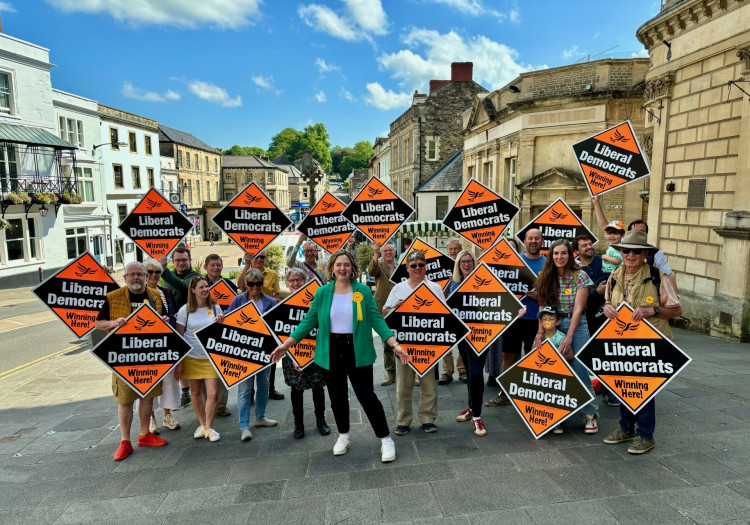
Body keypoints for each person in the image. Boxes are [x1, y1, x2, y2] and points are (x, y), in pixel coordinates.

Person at [270, 249, 405, 462]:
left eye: (347, 265)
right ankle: (343, 435)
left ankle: (386, 439)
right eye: (338, 264)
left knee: (367, 397)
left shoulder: (362, 291)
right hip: (331, 350)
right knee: (337, 397)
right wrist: (286, 345)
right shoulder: (323, 293)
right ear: (332, 268)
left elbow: (377, 319)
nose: (342, 268)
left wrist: (394, 343)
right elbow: (308, 322)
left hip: (356, 350)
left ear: (352, 268)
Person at [602, 231, 682, 454]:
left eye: (636, 251)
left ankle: (645, 435)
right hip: (622, 340)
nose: (630, 254)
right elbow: (608, 302)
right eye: (626, 250)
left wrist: (653, 310)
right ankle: (626, 429)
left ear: (645, 253)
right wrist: (606, 307)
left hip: (650, 342)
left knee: (644, 387)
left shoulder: (658, 277)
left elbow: (677, 309)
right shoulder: (614, 276)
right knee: (623, 385)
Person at [95, 261, 168, 461]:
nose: (136, 277)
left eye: (140, 274)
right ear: (125, 277)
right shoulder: (113, 297)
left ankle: (144, 435)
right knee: (125, 399)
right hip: (124, 358)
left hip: (149, 356)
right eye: (132, 274)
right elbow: (98, 323)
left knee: (147, 396)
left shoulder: (155, 296)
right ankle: (125, 441)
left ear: (145, 276)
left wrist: (163, 322)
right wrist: (113, 323)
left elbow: (159, 321)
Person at [535, 239, 599, 434]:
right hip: (550, 324)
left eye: (564, 253)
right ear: (550, 256)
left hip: (576, 325)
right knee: (551, 371)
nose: (559, 257)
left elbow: (579, 309)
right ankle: (556, 415)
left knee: (580, 370)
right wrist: (540, 332)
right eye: (556, 253)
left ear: (570, 255)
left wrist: (569, 335)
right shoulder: (545, 275)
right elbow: (542, 306)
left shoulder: (580, 276)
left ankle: (589, 415)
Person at [384, 250, 444, 435]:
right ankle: (403, 420)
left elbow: (445, 315)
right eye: (414, 265)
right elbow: (384, 312)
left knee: (429, 385)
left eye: (421, 265)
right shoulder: (398, 288)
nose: (418, 268)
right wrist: (394, 308)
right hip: (404, 347)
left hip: (429, 346)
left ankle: (427, 418)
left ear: (426, 267)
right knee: (403, 384)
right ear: (407, 268)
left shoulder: (435, 288)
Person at [486, 229, 545, 407]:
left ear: (542, 241)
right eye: (530, 238)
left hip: (537, 318)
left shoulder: (549, 263)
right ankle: (506, 392)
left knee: (533, 356)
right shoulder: (514, 260)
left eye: (537, 238)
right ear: (525, 241)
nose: (533, 241)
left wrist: (539, 296)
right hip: (514, 318)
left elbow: (554, 292)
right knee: (508, 354)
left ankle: (531, 393)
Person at [229, 268, 279, 441]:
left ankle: (260, 417)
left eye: (258, 283)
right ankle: (244, 426)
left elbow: (276, 325)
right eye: (251, 284)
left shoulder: (270, 301)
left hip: (265, 351)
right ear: (246, 285)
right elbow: (228, 322)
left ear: (262, 283)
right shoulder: (238, 300)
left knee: (264, 385)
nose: (255, 287)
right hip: (244, 352)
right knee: (244, 390)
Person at [174, 276, 225, 443]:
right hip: (191, 357)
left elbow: (223, 334)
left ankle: (209, 427)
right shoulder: (184, 310)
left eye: (206, 286)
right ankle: (202, 424)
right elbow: (179, 337)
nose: (205, 289)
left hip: (210, 358)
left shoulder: (216, 308)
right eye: (201, 287)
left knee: (213, 394)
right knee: (195, 392)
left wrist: (220, 323)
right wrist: (179, 362)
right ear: (193, 290)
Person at [280, 267, 330, 439]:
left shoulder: (316, 300)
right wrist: (294, 355)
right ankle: (298, 424)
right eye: (292, 281)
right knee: (296, 389)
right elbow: (280, 331)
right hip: (292, 354)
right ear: (287, 283)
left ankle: (321, 421)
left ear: (305, 281)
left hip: (315, 352)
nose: (295, 283)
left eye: (298, 280)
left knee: (318, 387)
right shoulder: (281, 302)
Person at [574, 234, 619, 407]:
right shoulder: (574, 269)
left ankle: (610, 391)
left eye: (590, 244)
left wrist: (592, 288)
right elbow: (578, 297)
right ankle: (584, 391)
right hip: (584, 318)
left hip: (605, 316)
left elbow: (609, 280)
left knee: (607, 354)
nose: (589, 247)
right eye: (584, 246)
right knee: (585, 355)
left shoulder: (602, 260)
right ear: (577, 251)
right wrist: (595, 292)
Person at [450, 250, 488, 437]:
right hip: (463, 338)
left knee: (475, 372)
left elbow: (498, 304)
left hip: (482, 336)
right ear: (458, 265)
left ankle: (478, 415)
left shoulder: (485, 281)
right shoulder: (454, 285)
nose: (466, 264)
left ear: (474, 263)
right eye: (463, 261)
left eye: (469, 261)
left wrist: (515, 312)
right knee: (469, 372)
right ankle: (471, 407)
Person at [158, 246, 202, 408]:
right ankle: (185, 392)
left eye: (184, 260)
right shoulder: (170, 276)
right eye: (177, 260)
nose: (181, 263)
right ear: (173, 261)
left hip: (191, 325)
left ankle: (197, 391)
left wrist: (164, 271)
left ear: (190, 260)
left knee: (192, 358)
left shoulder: (195, 277)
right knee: (180, 357)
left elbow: (184, 288)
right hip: (173, 324)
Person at [238, 250, 284, 400]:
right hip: (247, 325)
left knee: (268, 358)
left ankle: (269, 389)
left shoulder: (272, 274)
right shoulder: (244, 271)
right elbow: (240, 286)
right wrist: (246, 264)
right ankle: (249, 393)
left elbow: (276, 294)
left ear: (265, 258)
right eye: (256, 256)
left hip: (266, 319)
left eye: (262, 257)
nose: (258, 259)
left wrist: (275, 302)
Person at [142, 259, 181, 434]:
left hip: (167, 343)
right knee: (148, 382)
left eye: (157, 272)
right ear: (144, 273)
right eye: (150, 272)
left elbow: (171, 315)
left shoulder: (165, 292)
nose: (154, 276)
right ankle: (151, 419)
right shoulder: (138, 292)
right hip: (146, 346)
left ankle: (167, 415)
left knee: (169, 381)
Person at [202, 253, 233, 417]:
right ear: (205, 267)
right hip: (204, 332)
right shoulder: (200, 284)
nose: (216, 268)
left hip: (223, 332)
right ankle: (207, 403)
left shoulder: (227, 283)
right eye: (212, 265)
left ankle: (221, 404)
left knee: (223, 369)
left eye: (218, 265)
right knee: (204, 371)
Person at [368, 241, 398, 386]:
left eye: (390, 250)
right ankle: (391, 374)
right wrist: (376, 253)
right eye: (385, 251)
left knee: (405, 340)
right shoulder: (378, 264)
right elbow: (371, 271)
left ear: (394, 252)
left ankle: (410, 373)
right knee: (387, 342)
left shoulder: (401, 265)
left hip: (400, 306)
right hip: (384, 306)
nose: (388, 253)